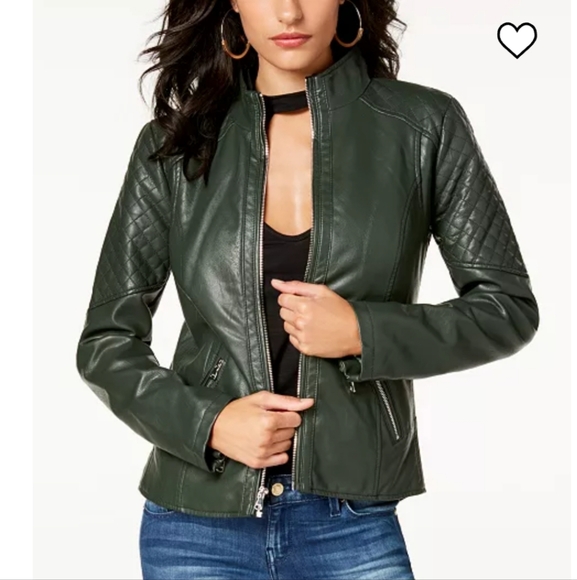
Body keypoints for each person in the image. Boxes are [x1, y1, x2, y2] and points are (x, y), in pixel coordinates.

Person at [75, 0, 540, 578]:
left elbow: (506, 309)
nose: (289, 12)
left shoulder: (423, 126)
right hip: (195, 524)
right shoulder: (175, 145)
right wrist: (210, 424)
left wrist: (364, 332)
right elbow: (106, 342)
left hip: (351, 520)